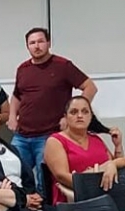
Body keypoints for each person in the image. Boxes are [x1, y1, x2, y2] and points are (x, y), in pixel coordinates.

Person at [9, 27, 96, 192]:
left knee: (44, 182)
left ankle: (45, 208)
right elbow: (17, 96)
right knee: (14, 176)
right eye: (32, 43)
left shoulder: (63, 65)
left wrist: (71, 116)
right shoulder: (23, 69)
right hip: (22, 136)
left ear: (48, 43)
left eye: (40, 41)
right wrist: (12, 116)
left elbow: (90, 87)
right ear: (27, 46)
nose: (36, 46)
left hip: (48, 136)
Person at [43, 96, 122, 205]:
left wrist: (118, 146)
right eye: (74, 112)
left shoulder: (97, 140)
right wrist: (92, 187)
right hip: (73, 199)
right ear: (65, 117)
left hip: (104, 195)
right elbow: (61, 176)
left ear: (90, 117)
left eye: (85, 112)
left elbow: (116, 169)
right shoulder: (55, 141)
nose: (80, 116)